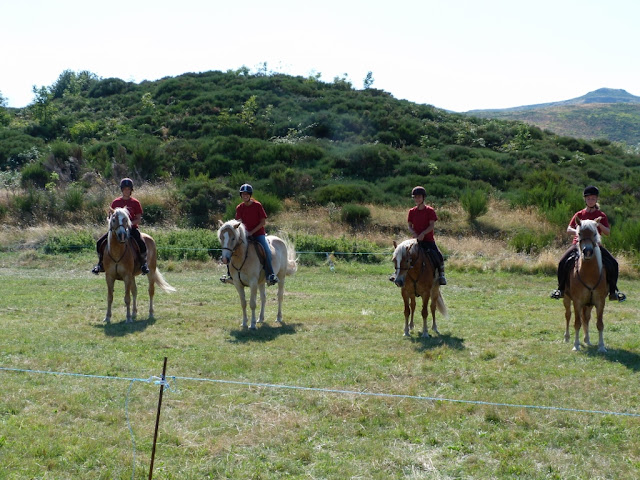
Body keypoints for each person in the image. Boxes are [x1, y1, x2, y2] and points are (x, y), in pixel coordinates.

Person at [550, 185, 625, 301]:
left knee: (614, 263)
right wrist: (579, 232)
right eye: (589, 198)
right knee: (562, 262)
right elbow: (568, 229)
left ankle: (613, 291)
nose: (591, 200)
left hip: (596, 246)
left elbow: (607, 232)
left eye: (593, 198)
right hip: (578, 244)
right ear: (585, 199)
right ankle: (560, 289)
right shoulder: (579, 214)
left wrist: (598, 224)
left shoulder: (601, 215)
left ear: (596, 200)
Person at [220, 183, 279, 286]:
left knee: (267, 250)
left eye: (247, 194)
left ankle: (270, 275)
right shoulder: (239, 207)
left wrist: (252, 232)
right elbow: (238, 222)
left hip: (258, 234)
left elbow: (263, 222)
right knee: (230, 249)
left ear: (250, 195)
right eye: (243, 194)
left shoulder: (257, 205)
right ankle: (230, 274)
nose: (245, 196)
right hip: (244, 235)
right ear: (241, 195)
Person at [91, 178, 149, 275]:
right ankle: (100, 264)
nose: (127, 191)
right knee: (99, 242)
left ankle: (143, 264)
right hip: (116, 229)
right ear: (122, 190)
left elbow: (138, 219)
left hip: (131, 228)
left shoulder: (135, 203)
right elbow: (109, 217)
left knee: (141, 243)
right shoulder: (115, 202)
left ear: (131, 190)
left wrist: (129, 224)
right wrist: (110, 222)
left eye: (128, 189)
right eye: (125, 189)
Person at [408, 186, 447, 285]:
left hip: (428, 240)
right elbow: (409, 226)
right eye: (415, 197)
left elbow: (432, 225)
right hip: (415, 240)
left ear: (423, 198)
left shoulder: (430, 210)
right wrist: (414, 233)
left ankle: (441, 275)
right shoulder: (411, 211)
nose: (417, 199)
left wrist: (423, 234)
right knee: (403, 254)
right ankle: (398, 274)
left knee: (439, 255)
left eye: (419, 197)